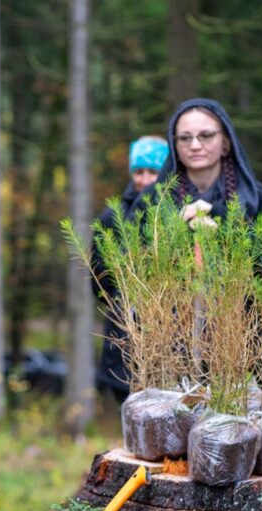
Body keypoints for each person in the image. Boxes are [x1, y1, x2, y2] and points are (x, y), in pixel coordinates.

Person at [134, 98, 262, 261]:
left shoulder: (253, 195)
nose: (194, 146)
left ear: (226, 143)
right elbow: (129, 258)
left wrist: (222, 226)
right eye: (185, 138)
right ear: (175, 146)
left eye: (206, 135)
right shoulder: (154, 199)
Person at [93, 135, 169, 402]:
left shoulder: (177, 214)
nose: (145, 179)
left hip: (169, 343)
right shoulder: (111, 219)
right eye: (139, 171)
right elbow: (99, 281)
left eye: (153, 172)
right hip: (124, 344)